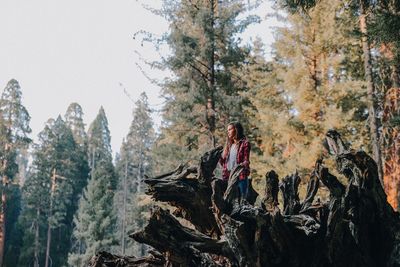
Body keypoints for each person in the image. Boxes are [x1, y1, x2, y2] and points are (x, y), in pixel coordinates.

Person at [219, 121, 251, 202]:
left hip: (240, 177)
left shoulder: (245, 143)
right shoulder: (229, 145)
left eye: (230, 129)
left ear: (236, 130)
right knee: (228, 201)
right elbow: (224, 164)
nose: (228, 132)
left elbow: (246, 160)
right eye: (227, 130)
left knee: (242, 201)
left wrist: (244, 165)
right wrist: (218, 156)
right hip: (228, 177)